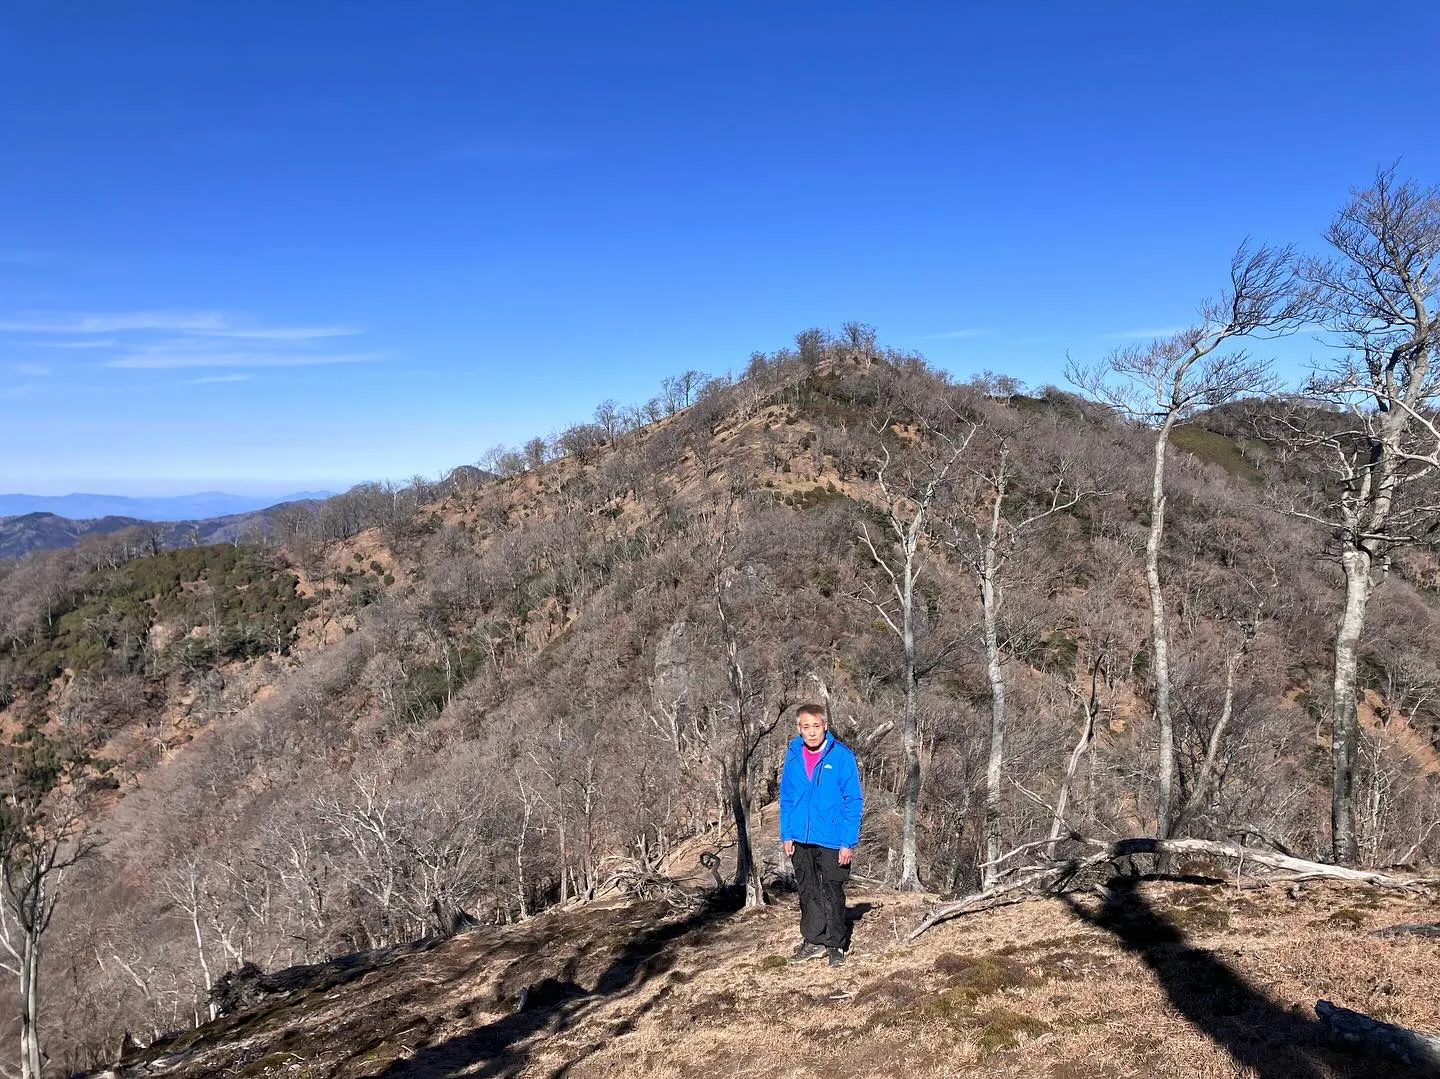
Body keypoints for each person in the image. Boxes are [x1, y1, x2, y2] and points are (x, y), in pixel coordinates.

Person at [779, 703, 863, 966]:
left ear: (825, 726)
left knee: (832, 890)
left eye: (816, 726)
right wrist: (787, 833)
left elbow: (853, 800)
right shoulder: (793, 754)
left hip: (832, 838)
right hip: (800, 837)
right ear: (799, 729)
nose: (812, 732)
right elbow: (787, 797)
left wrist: (847, 842)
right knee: (807, 890)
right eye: (806, 727)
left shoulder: (841, 757)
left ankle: (835, 944)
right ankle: (813, 939)